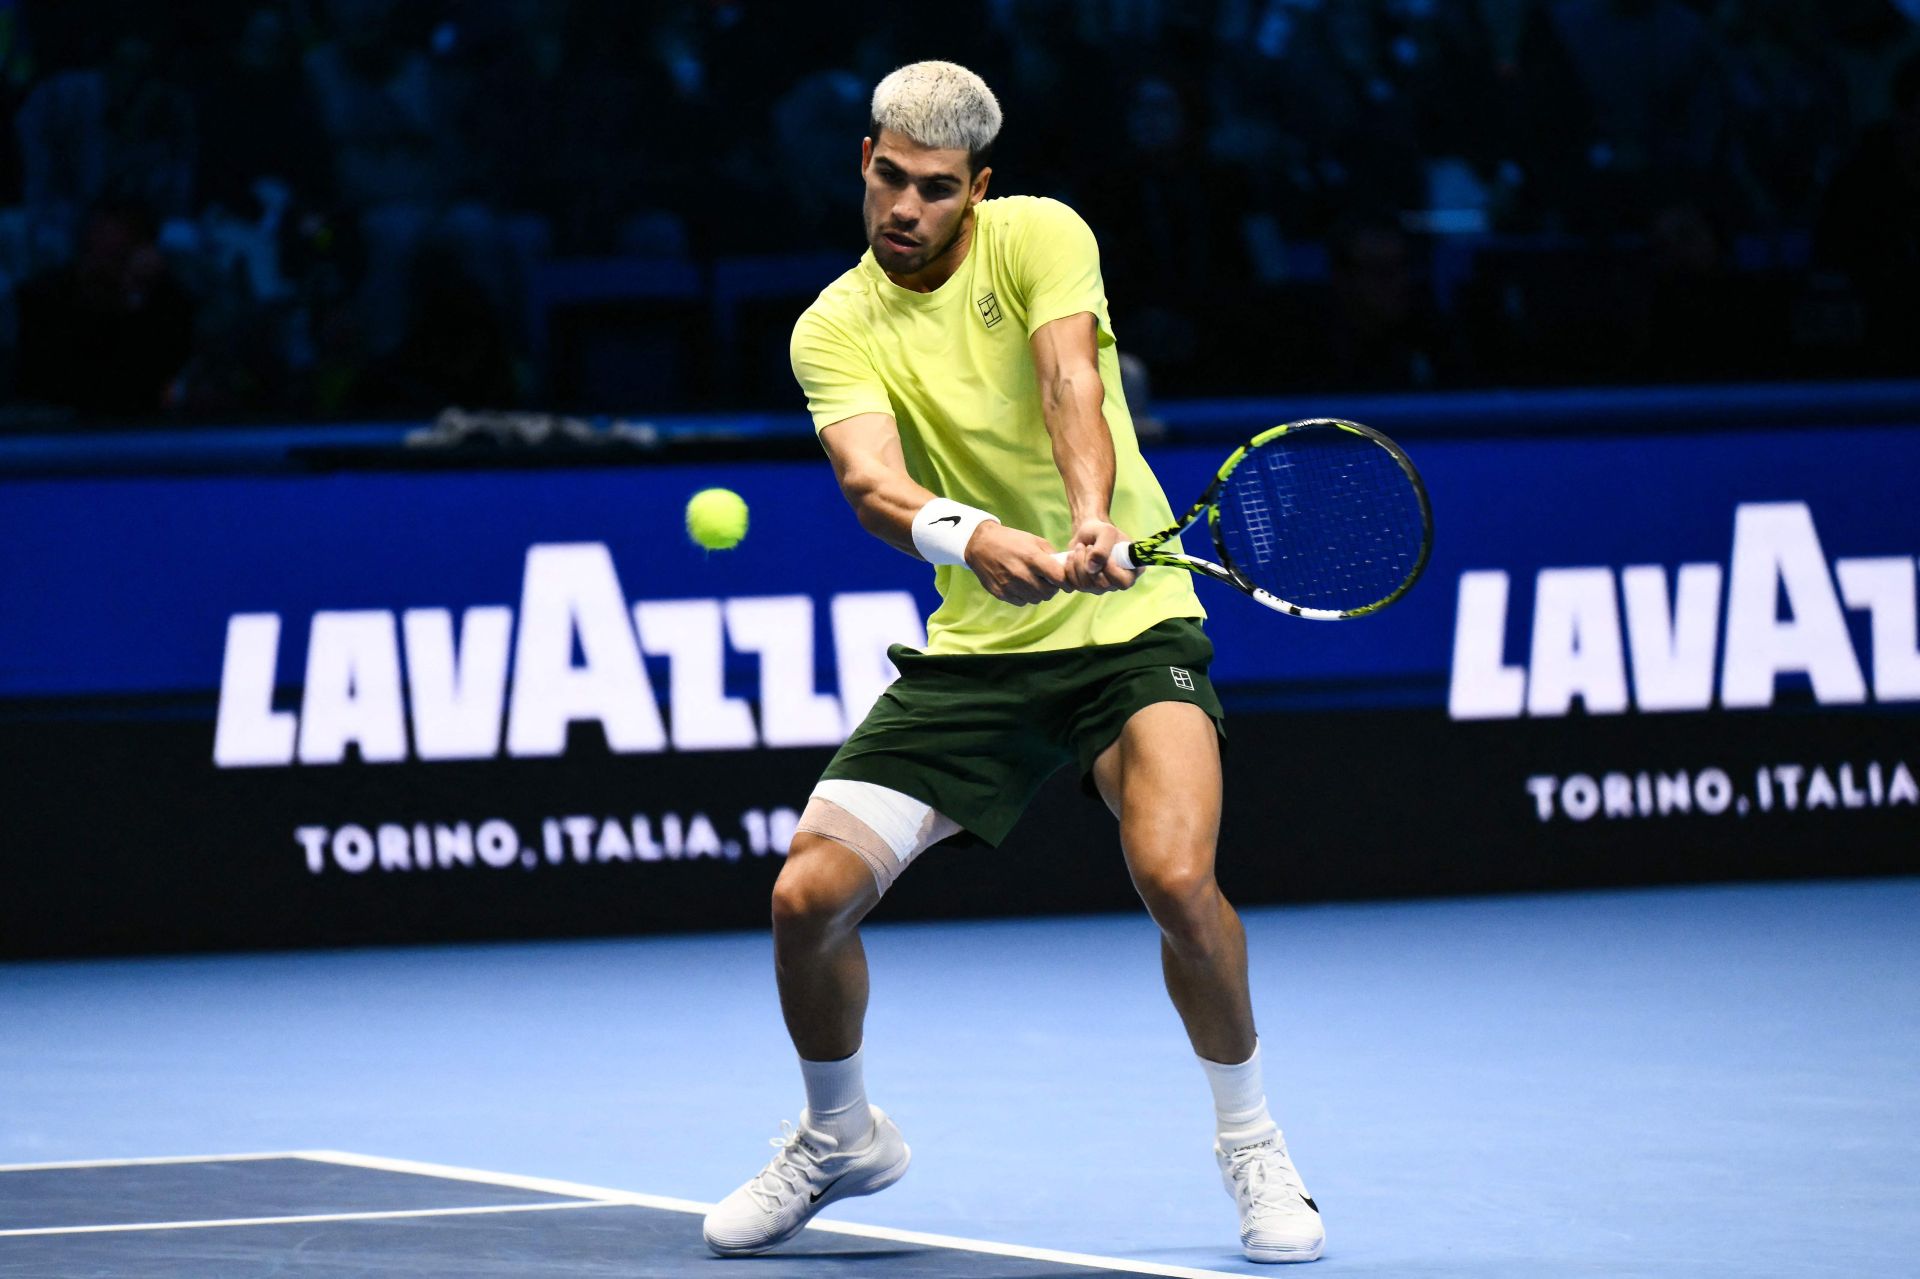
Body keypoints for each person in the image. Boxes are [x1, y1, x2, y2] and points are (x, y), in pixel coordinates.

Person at [701, 61, 1324, 1265]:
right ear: (863, 163)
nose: (906, 210)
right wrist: (974, 537)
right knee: (805, 898)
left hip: (1132, 628)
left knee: (1176, 876)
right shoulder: (832, 324)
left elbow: (1070, 378)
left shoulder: (1040, 235)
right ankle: (841, 1136)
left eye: (936, 190)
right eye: (889, 179)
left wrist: (1091, 517)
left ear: (978, 190)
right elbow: (874, 485)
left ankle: (1252, 1145)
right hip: (979, 654)